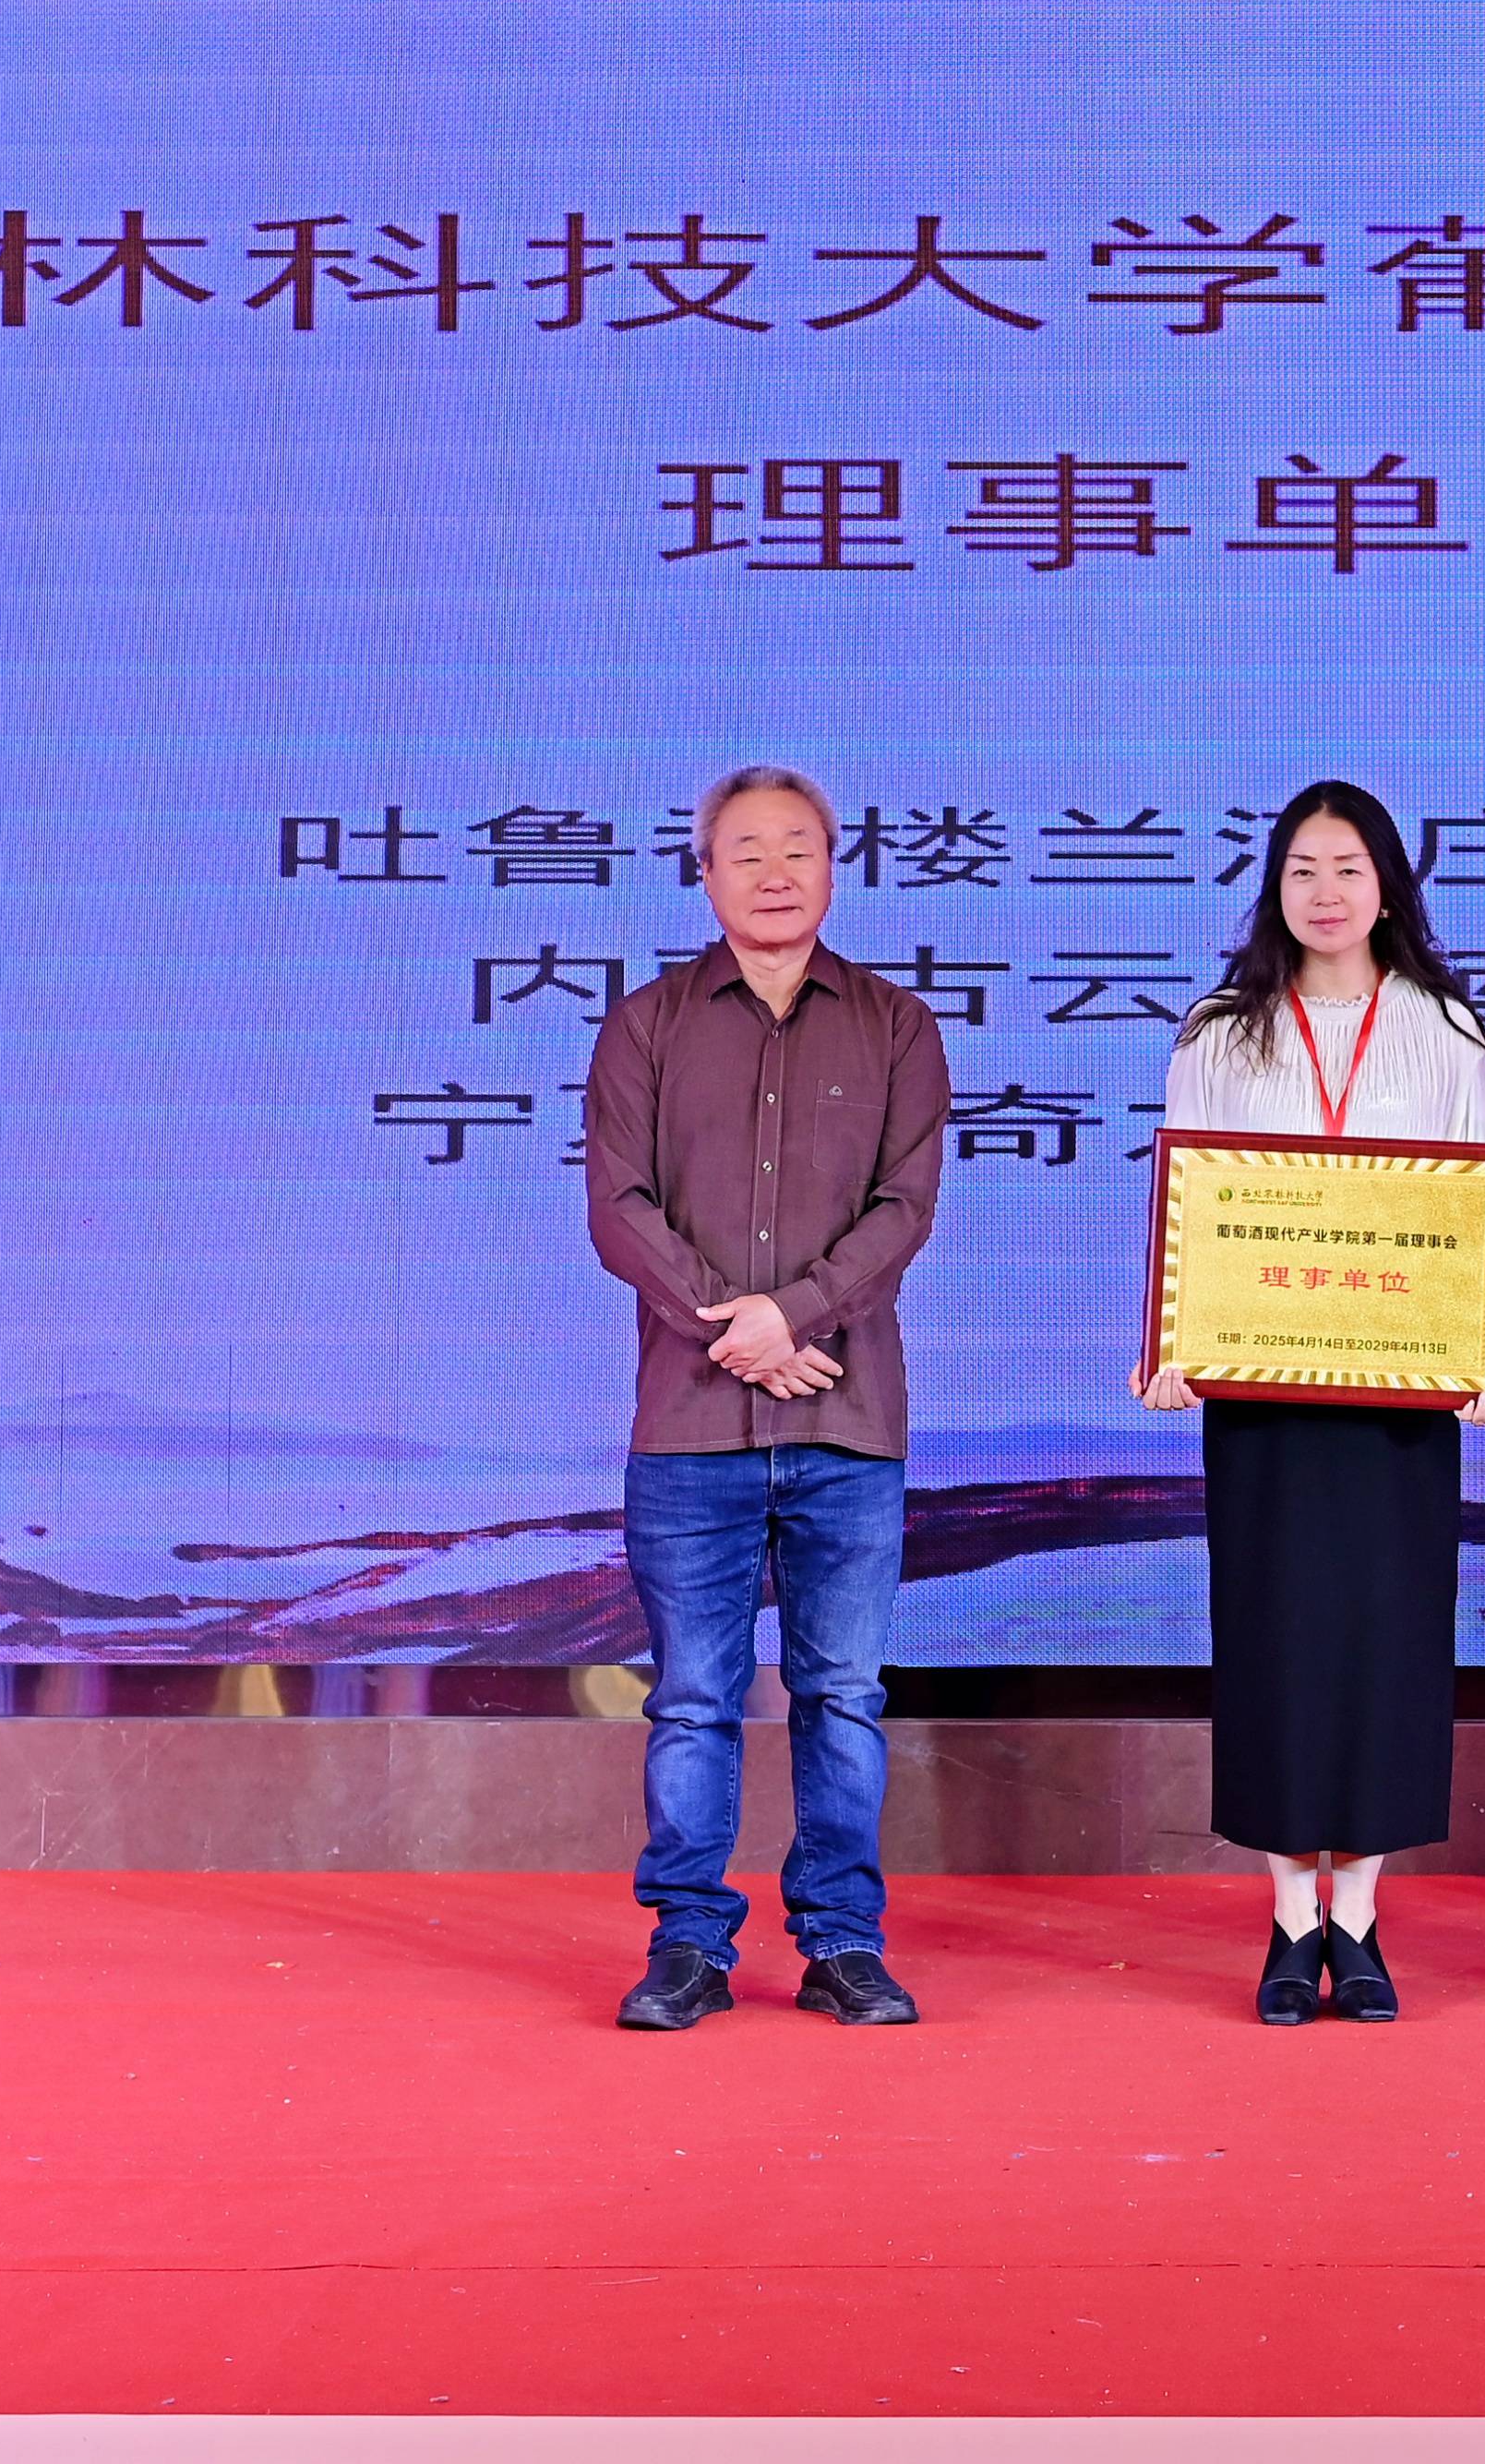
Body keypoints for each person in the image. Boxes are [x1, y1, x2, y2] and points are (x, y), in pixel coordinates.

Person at [1141, 781, 1485, 2025]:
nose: (1326, 892)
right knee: (1275, 1641)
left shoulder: (1447, 1030)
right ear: (1275, 887)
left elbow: (1478, 1212)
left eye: (1349, 868)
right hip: (1262, 1391)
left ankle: (1358, 1916)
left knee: (1385, 1642)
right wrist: (1174, 1346)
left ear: (1390, 887)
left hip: (1398, 1394)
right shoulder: (1219, 1031)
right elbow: (1186, 1209)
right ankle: (1287, 1920)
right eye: (1302, 869)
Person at [583, 764, 949, 2033]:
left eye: (799, 847)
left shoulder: (897, 1025)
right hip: (690, 1430)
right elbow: (620, 1209)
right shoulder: (646, 1025)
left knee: (843, 1696)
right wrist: (734, 1329)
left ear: (835, 867)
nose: (776, 871)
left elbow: (904, 1209)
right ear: (705, 874)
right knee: (694, 1699)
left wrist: (791, 1314)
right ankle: (688, 1944)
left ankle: (843, 1944)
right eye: (747, 851)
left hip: (849, 1421)